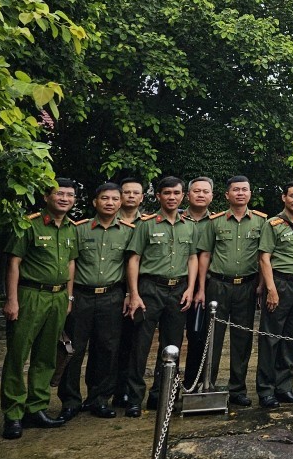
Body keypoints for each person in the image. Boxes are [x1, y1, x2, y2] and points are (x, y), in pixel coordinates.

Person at [0, 180, 79, 439]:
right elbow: (14, 264)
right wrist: (12, 300)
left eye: (70, 195)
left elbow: (70, 264)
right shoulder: (29, 224)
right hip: (30, 295)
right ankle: (13, 414)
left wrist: (68, 298)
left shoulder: (70, 228)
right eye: (60, 194)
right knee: (17, 355)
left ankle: (36, 408)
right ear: (47, 197)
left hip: (57, 297)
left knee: (46, 356)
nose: (65, 198)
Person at [123, 176, 198, 417]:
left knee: (172, 346)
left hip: (178, 290)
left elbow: (192, 258)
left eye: (176, 193)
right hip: (150, 289)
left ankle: (162, 395)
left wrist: (191, 288)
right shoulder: (146, 224)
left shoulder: (189, 225)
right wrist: (133, 293)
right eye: (167, 193)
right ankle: (134, 398)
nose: (172, 197)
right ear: (158, 196)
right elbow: (133, 259)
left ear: (182, 196)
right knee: (140, 346)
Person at [58, 182, 130, 421]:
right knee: (73, 350)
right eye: (105, 198)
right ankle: (70, 401)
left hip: (112, 296)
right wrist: (69, 297)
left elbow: (132, 266)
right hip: (81, 296)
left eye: (114, 199)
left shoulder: (129, 231)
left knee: (107, 349)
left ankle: (99, 399)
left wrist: (129, 294)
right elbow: (71, 264)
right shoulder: (79, 229)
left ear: (120, 203)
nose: (110, 203)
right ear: (94, 202)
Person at [196, 174, 266, 407]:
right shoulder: (214, 222)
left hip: (246, 286)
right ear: (227, 195)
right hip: (218, 285)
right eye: (235, 190)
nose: (240, 193)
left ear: (250, 194)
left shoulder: (260, 222)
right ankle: (208, 385)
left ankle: (238, 389)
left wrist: (261, 285)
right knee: (212, 337)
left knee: (242, 340)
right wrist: (201, 288)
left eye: (244, 190)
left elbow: (263, 256)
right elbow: (205, 255)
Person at [256, 181, 293, 408]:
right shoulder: (273, 224)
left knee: (291, 339)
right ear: (284, 198)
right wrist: (271, 289)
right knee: (271, 338)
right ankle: (265, 390)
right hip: (280, 284)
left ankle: (284, 387)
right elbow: (264, 258)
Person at [112, 177, 146, 409]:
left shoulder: (148, 222)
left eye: (136, 193)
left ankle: (124, 390)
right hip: (113, 289)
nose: (131, 196)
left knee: (134, 342)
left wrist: (133, 292)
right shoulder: (106, 221)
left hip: (138, 290)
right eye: (127, 192)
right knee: (110, 343)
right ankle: (105, 391)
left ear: (142, 197)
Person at [182, 176, 214, 393]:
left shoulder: (216, 221)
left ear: (211, 196)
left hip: (204, 285)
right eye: (196, 191)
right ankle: (163, 388)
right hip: (173, 284)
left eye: (205, 191)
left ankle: (192, 384)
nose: (201, 195)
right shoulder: (175, 218)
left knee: (198, 335)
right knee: (171, 338)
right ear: (188, 194)